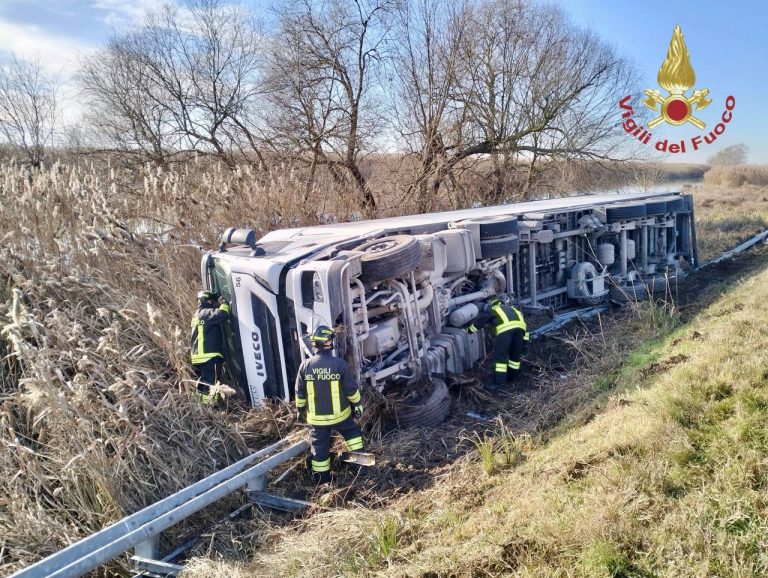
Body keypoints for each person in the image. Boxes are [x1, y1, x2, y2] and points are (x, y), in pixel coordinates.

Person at [295, 325, 365, 484]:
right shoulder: (340, 364)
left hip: (317, 421)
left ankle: (322, 481)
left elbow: (300, 395)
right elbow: (351, 390)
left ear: (314, 344)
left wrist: (300, 411)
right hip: (341, 417)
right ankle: (361, 469)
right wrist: (358, 405)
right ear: (330, 343)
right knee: (353, 436)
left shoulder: (305, 366)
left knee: (320, 450)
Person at [466, 296, 529, 390]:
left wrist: (468, 331)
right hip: (520, 330)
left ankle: (499, 383)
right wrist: (525, 343)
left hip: (505, 331)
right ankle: (512, 377)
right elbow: (525, 326)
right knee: (514, 356)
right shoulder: (513, 309)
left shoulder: (492, 308)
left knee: (500, 356)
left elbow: (480, 322)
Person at [190, 290, 231, 404]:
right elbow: (223, 313)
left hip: (197, 357)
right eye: (212, 301)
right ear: (208, 301)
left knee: (202, 385)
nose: (213, 303)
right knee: (210, 385)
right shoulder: (206, 313)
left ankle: (201, 405)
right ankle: (210, 406)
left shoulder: (197, 315)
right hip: (208, 356)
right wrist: (223, 302)